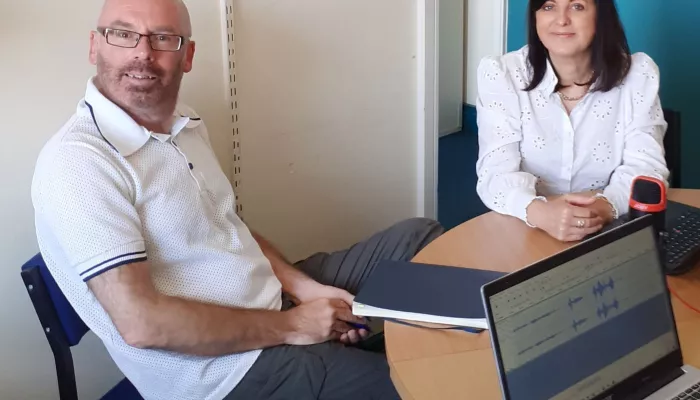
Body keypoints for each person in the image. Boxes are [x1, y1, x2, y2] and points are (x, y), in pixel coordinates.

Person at [30, 0, 444, 399]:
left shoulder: (183, 125)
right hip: (227, 374)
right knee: (425, 389)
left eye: (162, 38)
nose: (142, 52)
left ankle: (383, 339)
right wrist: (293, 326)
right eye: (123, 33)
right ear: (94, 45)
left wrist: (307, 290)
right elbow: (143, 325)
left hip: (269, 302)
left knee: (421, 238)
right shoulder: (79, 163)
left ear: (187, 55)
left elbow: (228, 227)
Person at [475, 0, 669, 242]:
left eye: (577, 6)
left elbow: (646, 170)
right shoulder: (503, 75)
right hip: (526, 229)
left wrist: (602, 208)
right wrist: (541, 213)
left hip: (608, 230)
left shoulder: (638, 74)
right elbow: (494, 176)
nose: (561, 19)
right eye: (548, 6)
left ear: (601, 16)